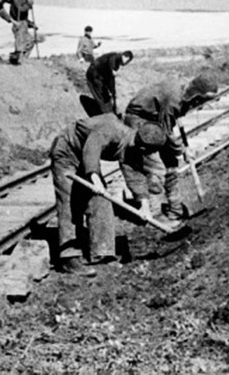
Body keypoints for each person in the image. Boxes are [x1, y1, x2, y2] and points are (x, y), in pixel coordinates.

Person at [50, 114, 166, 276]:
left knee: (101, 201)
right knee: (70, 202)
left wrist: (144, 205)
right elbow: (92, 149)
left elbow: (135, 174)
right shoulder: (110, 129)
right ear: (142, 147)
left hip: (84, 158)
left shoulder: (132, 145)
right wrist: (95, 178)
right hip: (68, 152)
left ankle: (103, 251)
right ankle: (70, 257)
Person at [121, 74, 219, 223]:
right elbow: (166, 132)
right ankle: (152, 214)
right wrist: (182, 150)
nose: (202, 104)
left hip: (155, 120)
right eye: (203, 100)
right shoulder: (174, 100)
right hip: (139, 120)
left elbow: (167, 124)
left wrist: (177, 150)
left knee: (171, 163)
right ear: (196, 94)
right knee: (153, 167)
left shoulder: (183, 95)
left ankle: (175, 209)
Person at [82, 51, 134, 116]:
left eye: (128, 61)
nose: (126, 62)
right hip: (94, 75)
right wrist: (112, 70)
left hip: (99, 76)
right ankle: (106, 115)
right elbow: (110, 64)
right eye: (126, 59)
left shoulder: (116, 61)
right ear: (124, 55)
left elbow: (109, 77)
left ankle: (110, 113)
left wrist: (112, 91)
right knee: (101, 97)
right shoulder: (114, 58)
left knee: (106, 97)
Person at [8, 0, 36, 65]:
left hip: (23, 23)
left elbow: (23, 15)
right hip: (19, 24)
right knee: (21, 44)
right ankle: (18, 61)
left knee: (30, 41)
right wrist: (29, 5)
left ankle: (22, 59)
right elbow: (20, 9)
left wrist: (30, 24)